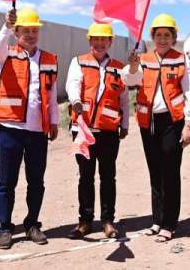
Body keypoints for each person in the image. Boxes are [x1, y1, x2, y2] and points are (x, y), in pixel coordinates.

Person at [123, 13, 190, 243]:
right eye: (158, 35)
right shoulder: (143, 58)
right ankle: (157, 220)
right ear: (152, 37)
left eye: (167, 35)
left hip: (172, 123)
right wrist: (134, 67)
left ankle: (170, 224)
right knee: (155, 173)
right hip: (148, 124)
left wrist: (189, 124)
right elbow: (130, 81)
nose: (163, 39)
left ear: (174, 37)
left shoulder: (180, 59)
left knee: (170, 173)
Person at [0, 6, 59, 249]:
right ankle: (5, 228)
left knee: (36, 181)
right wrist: (6, 27)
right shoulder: (6, 53)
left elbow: (50, 96)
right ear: (17, 31)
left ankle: (32, 224)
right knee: (6, 182)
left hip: (38, 131)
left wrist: (54, 121)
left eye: (34, 30)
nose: (30, 34)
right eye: (25, 30)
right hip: (11, 128)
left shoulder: (49, 59)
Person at [66, 23, 133, 239]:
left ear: (110, 42)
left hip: (109, 132)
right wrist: (76, 101)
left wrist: (124, 126)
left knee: (107, 176)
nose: (99, 42)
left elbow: (123, 99)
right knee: (85, 176)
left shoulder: (119, 68)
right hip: (83, 130)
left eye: (104, 39)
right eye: (95, 38)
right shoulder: (78, 62)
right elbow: (73, 84)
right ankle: (85, 221)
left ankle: (107, 221)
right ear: (89, 40)